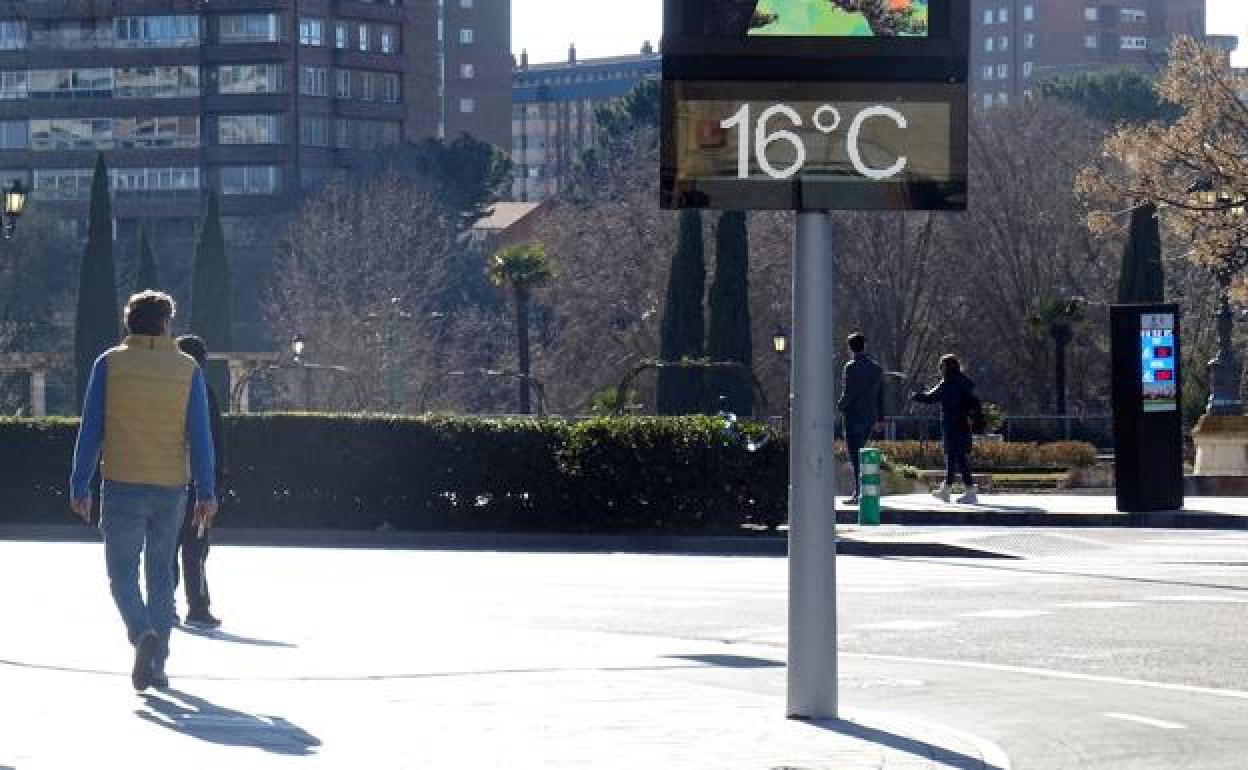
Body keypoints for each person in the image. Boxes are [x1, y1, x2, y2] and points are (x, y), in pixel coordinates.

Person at [70, 291, 218, 692]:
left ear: (128, 323)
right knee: (160, 574)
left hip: (122, 484)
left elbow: (91, 429)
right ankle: (157, 663)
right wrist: (207, 491)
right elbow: (200, 436)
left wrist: (79, 484)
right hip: (171, 486)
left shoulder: (109, 363)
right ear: (166, 324)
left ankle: (140, 633)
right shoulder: (188, 369)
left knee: (121, 573)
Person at [173, 335, 226, 629]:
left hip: (169, 477)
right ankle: (198, 607)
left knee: (167, 547)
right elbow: (215, 440)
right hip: (198, 483)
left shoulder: (168, 389)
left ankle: (166, 604)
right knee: (196, 549)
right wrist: (215, 483)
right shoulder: (205, 391)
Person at [911, 354, 979, 504]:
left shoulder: (947, 383)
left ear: (946, 367)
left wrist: (916, 396)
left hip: (951, 425)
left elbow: (930, 397)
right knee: (956, 458)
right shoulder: (966, 382)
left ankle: (969, 491)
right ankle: (947, 490)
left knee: (957, 458)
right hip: (964, 424)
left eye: (941, 366)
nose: (939, 370)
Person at [836, 332, 883, 505]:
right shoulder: (876, 368)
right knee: (862, 454)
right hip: (870, 417)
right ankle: (862, 491)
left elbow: (849, 392)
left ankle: (859, 492)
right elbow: (880, 395)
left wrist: (839, 406)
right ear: (865, 345)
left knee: (855, 456)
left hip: (853, 416)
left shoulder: (851, 366)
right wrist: (880, 418)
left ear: (850, 347)